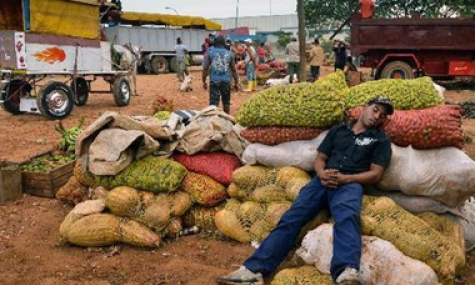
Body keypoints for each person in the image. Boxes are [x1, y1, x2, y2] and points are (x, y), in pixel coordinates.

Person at [216, 95, 394, 285]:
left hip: (349, 184)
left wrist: (346, 178)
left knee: (348, 218)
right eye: (375, 110)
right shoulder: (338, 131)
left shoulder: (380, 140)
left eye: (382, 115)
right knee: (292, 217)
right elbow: (320, 158)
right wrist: (321, 173)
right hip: (321, 181)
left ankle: (346, 272)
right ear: (365, 107)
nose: (377, 116)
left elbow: (375, 174)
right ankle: (254, 271)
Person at [202, 36, 240, 114]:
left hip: (214, 81)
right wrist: (236, 83)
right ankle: (227, 119)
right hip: (226, 81)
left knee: (213, 103)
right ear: (224, 43)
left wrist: (204, 81)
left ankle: (213, 119)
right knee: (226, 102)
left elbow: (205, 68)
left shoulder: (210, 52)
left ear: (215, 43)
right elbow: (233, 70)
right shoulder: (230, 53)